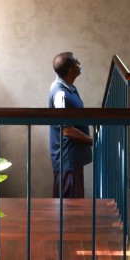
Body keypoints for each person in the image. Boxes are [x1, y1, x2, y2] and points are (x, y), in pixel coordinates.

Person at [48, 51, 94, 198]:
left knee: (74, 205)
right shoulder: (61, 94)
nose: (79, 64)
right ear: (70, 70)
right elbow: (67, 130)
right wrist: (93, 141)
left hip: (73, 159)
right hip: (67, 160)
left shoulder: (69, 88)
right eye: (76, 62)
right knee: (68, 207)